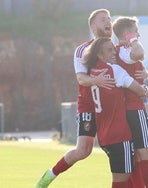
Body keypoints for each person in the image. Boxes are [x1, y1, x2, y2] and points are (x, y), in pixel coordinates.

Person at [36, 9, 116, 188]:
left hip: (111, 106)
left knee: (119, 143)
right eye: (103, 19)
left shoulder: (116, 49)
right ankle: (50, 175)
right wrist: (97, 80)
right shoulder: (83, 50)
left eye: (109, 19)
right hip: (89, 105)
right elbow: (81, 79)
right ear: (93, 25)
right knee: (83, 151)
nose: (108, 22)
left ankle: (144, 151)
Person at [84, 37, 148, 187]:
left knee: (123, 179)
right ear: (100, 55)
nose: (114, 52)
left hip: (104, 136)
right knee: (121, 181)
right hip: (120, 136)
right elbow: (139, 90)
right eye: (110, 50)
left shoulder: (92, 72)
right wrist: (145, 90)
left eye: (114, 48)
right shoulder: (114, 70)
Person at [113, 16, 148, 187]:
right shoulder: (126, 50)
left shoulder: (118, 52)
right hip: (134, 108)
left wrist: (145, 73)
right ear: (127, 34)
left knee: (135, 155)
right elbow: (139, 53)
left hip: (123, 109)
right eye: (135, 31)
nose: (138, 34)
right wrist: (133, 40)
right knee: (146, 153)